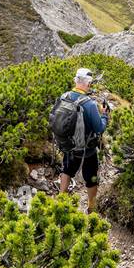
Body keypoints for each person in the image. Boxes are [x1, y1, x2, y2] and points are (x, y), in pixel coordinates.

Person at [53, 67, 110, 214]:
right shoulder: (89, 104)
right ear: (88, 83)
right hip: (87, 149)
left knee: (67, 171)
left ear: (76, 81)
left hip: (68, 146)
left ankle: (61, 201)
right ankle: (92, 208)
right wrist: (104, 116)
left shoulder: (63, 96)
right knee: (91, 178)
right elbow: (99, 129)